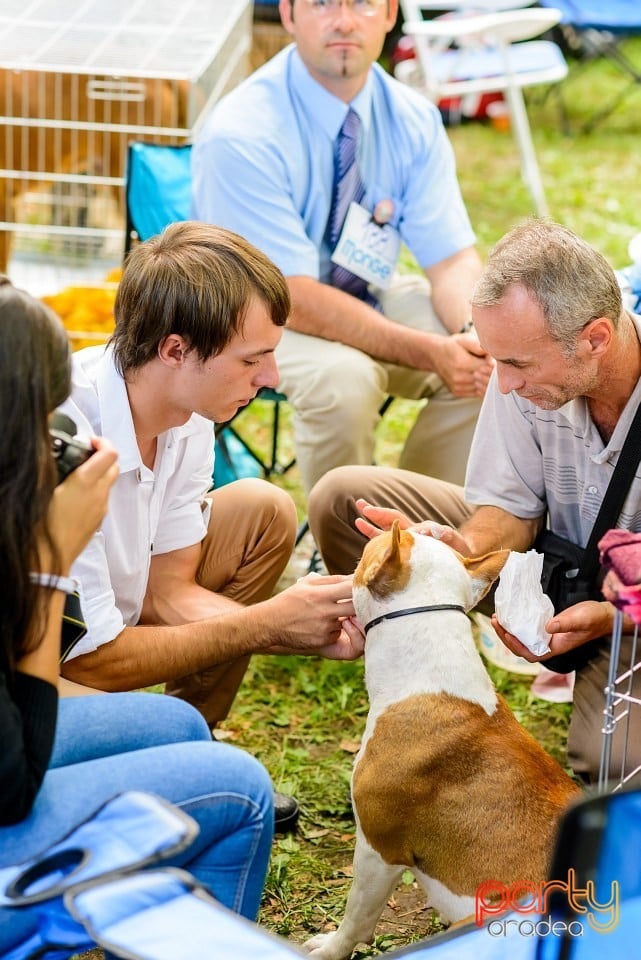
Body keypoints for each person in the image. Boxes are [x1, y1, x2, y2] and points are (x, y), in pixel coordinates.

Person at [307, 219, 641, 783]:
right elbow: (509, 508)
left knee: (617, 768)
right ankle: (428, 687)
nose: (502, 384)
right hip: (550, 566)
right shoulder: (522, 363)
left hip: (627, 607)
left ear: (596, 338)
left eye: (516, 364)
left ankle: (589, 668)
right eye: (494, 359)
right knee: (344, 499)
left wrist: (611, 619)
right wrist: (461, 550)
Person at [0, 277, 277, 956]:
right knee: (240, 788)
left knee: (180, 726)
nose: (60, 438)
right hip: (8, 783)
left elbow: (168, 589)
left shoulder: (187, 427)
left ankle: (131, 914)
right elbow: (12, 776)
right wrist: (46, 567)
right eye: (45, 420)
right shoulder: (86, 430)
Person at [57, 222, 364, 830]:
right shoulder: (67, 432)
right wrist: (270, 624)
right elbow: (86, 661)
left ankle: (188, 745)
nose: (272, 377)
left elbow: (169, 593)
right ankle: (160, 766)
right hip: (48, 666)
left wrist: (304, 624)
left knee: (263, 511)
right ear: (175, 351)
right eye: (252, 359)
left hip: (108, 621)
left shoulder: (187, 410)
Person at [191, 0, 494, 495]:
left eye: (362, 2)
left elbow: (452, 259)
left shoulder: (412, 118)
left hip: (364, 291)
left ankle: (418, 537)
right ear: (287, 14)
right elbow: (291, 296)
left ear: (391, 12)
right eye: (322, 2)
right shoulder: (241, 132)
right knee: (344, 384)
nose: (344, 20)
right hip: (253, 315)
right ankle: (350, 551)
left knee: (493, 363)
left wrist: (469, 335)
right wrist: (433, 352)